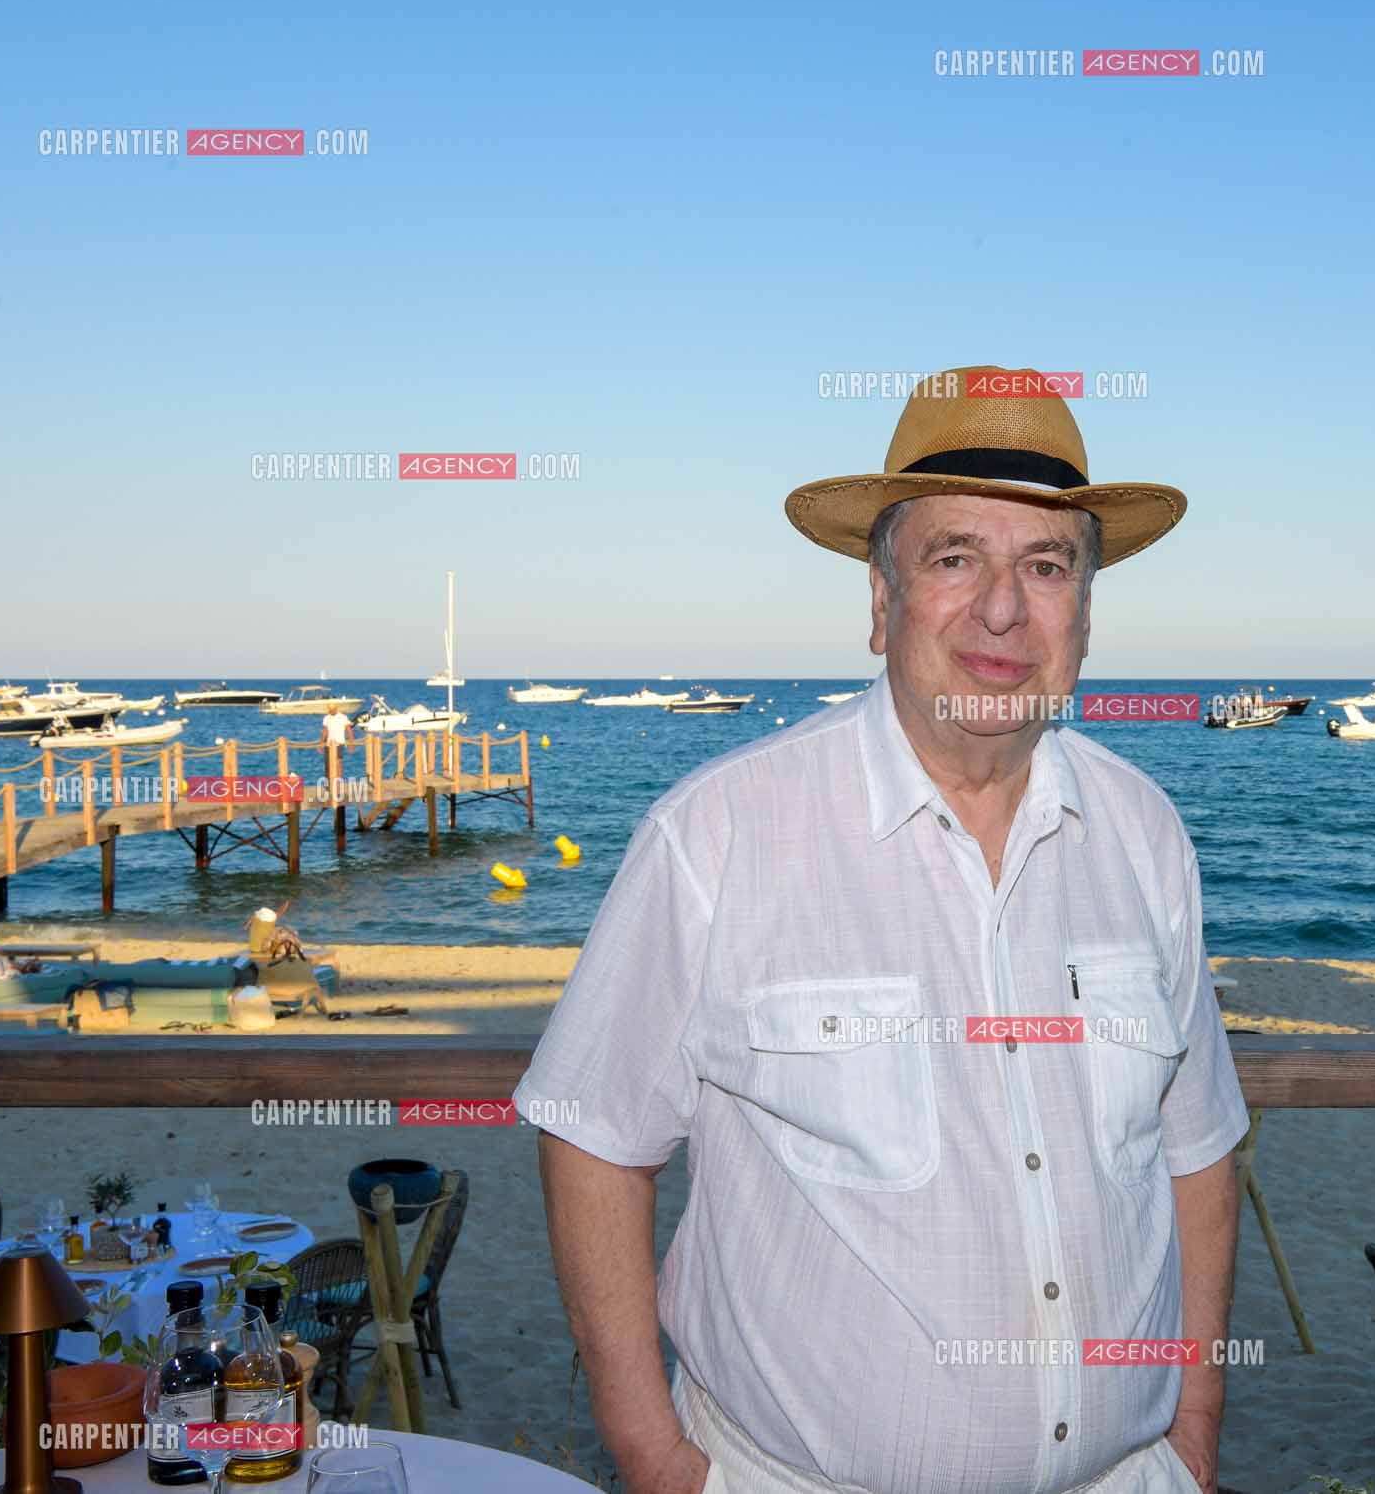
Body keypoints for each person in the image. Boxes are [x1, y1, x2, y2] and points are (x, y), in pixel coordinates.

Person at [514, 366, 1248, 1494]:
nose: (1003, 610)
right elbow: (592, 1133)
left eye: (1046, 567)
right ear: (879, 598)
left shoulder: (1145, 836)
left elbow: (1195, 1152)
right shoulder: (717, 836)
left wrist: (1193, 1421)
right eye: (955, 558)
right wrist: (656, 1459)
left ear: (1086, 615)